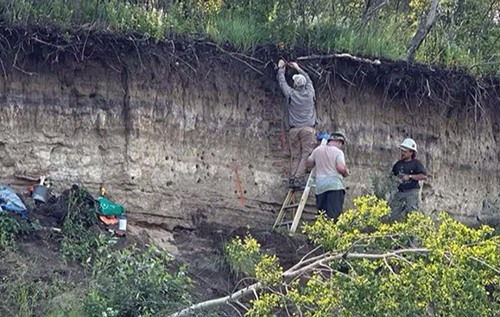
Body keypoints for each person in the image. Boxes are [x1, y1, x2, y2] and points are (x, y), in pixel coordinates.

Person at [277, 59, 316, 188]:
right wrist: (298, 68)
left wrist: (281, 69)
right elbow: (309, 79)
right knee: (306, 154)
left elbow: (282, 83)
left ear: (294, 85)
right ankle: (298, 179)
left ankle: (293, 178)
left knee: (296, 155)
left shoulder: (291, 94)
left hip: (294, 130)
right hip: (308, 130)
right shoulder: (310, 93)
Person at [307, 132, 350, 221]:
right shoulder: (338, 152)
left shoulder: (318, 150)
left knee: (322, 215)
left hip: (320, 188)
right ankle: (333, 234)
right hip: (334, 187)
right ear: (339, 142)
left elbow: (309, 163)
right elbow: (340, 168)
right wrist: (346, 172)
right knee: (334, 216)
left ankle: (322, 233)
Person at [390, 138, 427, 222]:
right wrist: (394, 179)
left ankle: (411, 234)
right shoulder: (398, 164)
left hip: (412, 192)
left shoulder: (416, 164)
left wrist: (410, 176)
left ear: (411, 152)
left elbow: (424, 176)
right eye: (402, 151)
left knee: (412, 215)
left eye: (405, 151)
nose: (402, 153)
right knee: (393, 213)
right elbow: (392, 175)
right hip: (400, 192)